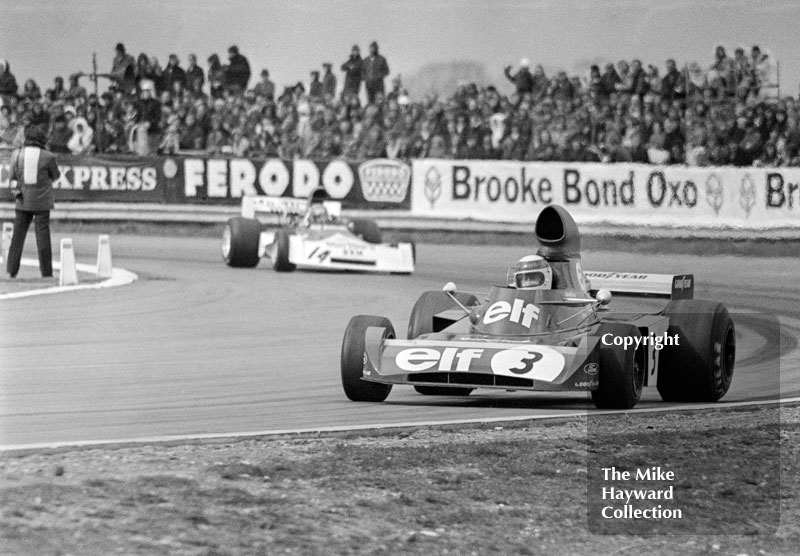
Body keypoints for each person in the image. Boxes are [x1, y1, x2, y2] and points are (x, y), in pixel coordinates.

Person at [6, 127, 60, 279]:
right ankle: (46, 272)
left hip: (22, 200)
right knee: (43, 236)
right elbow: (56, 175)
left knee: (17, 237)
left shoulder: (17, 155)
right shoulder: (48, 156)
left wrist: (17, 194)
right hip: (42, 202)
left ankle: (12, 270)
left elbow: (12, 178)